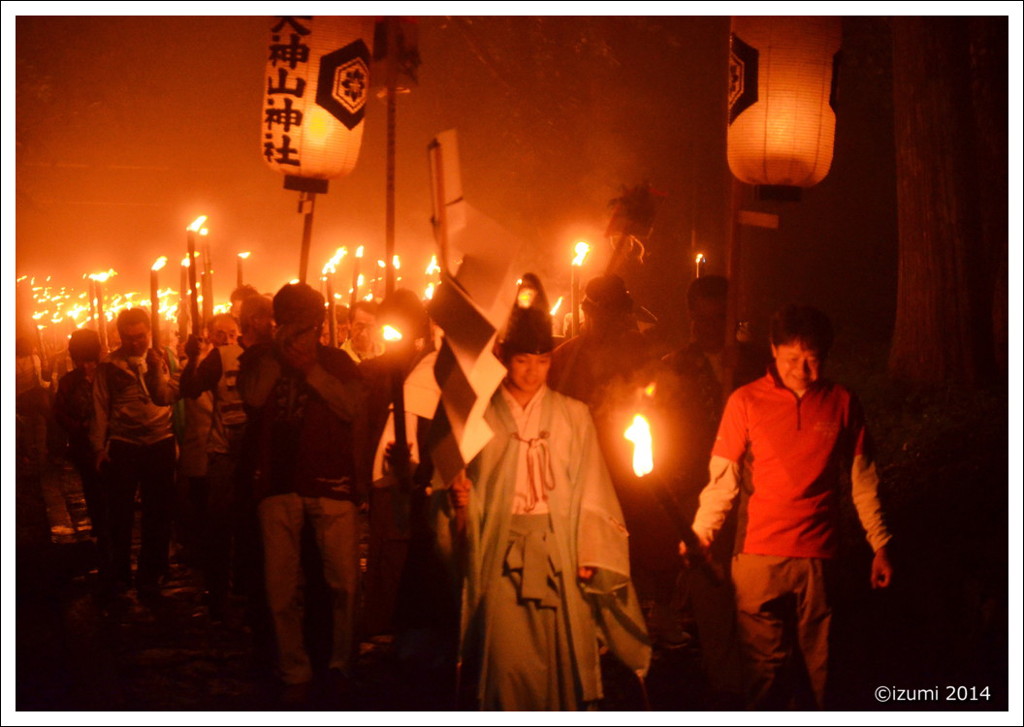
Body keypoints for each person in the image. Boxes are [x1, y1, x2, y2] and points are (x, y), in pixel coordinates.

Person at [452, 274, 650, 710]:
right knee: (506, 660)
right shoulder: (481, 416)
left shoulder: (573, 416)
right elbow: (469, 484)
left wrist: (590, 552)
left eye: (542, 362)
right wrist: (462, 504)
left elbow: (592, 488)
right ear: (505, 357)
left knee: (561, 656)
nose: (532, 372)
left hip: (560, 546)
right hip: (501, 546)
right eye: (523, 361)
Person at [682, 303, 894, 709]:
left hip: (820, 557)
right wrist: (701, 534)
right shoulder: (744, 402)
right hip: (757, 557)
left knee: (824, 669)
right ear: (773, 350)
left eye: (812, 359)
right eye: (792, 358)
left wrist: (880, 544)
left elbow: (863, 481)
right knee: (763, 673)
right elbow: (721, 482)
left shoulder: (843, 403)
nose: (802, 369)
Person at [238, 282, 367, 704]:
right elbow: (254, 397)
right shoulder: (261, 359)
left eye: (306, 326)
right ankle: (294, 666)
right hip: (277, 482)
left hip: (331, 482)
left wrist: (312, 368)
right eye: (290, 325)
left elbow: (351, 408)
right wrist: (280, 357)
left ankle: (341, 662)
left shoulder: (337, 361)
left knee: (344, 582)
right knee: (280, 586)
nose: (299, 333)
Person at [90, 308, 177, 594]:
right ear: (120, 336)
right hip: (125, 443)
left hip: (160, 440)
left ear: (149, 332)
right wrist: (99, 447)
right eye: (128, 338)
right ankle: (120, 569)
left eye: (140, 337)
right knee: (120, 511)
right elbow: (100, 407)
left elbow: (171, 396)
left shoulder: (164, 359)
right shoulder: (109, 366)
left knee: (159, 509)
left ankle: (154, 568)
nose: (135, 343)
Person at [180, 313, 247, 621]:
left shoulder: (248, 355)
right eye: (220, 334)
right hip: (220, 453)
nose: (227, 338)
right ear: (210, 337)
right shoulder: (216, 359)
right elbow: (189, 388)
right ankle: (221, 591)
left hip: (244, 454)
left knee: (239, 525)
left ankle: (238, 587)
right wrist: (193, 358)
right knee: (219, 524)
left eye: (232, 332)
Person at [53, 328, 109, 572]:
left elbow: (59, 413)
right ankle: (108, 534)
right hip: (100, 444)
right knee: (103, 489)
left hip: (89, 445)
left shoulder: (71, 381)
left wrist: (78, 427)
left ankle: (103, 532)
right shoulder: (103, 377)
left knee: (95, 490)